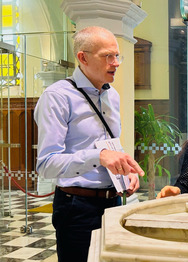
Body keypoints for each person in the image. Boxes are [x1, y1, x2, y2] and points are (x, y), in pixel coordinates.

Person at [34, 26, 144, 262]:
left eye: (117, 56)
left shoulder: (111, 95)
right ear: (82, 57)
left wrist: (126, 174)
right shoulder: (57, 97)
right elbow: (46, 164)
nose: (115, 63)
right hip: (76, 207)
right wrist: (99, 156)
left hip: (113, 202)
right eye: (108, 56)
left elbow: (111, 146)